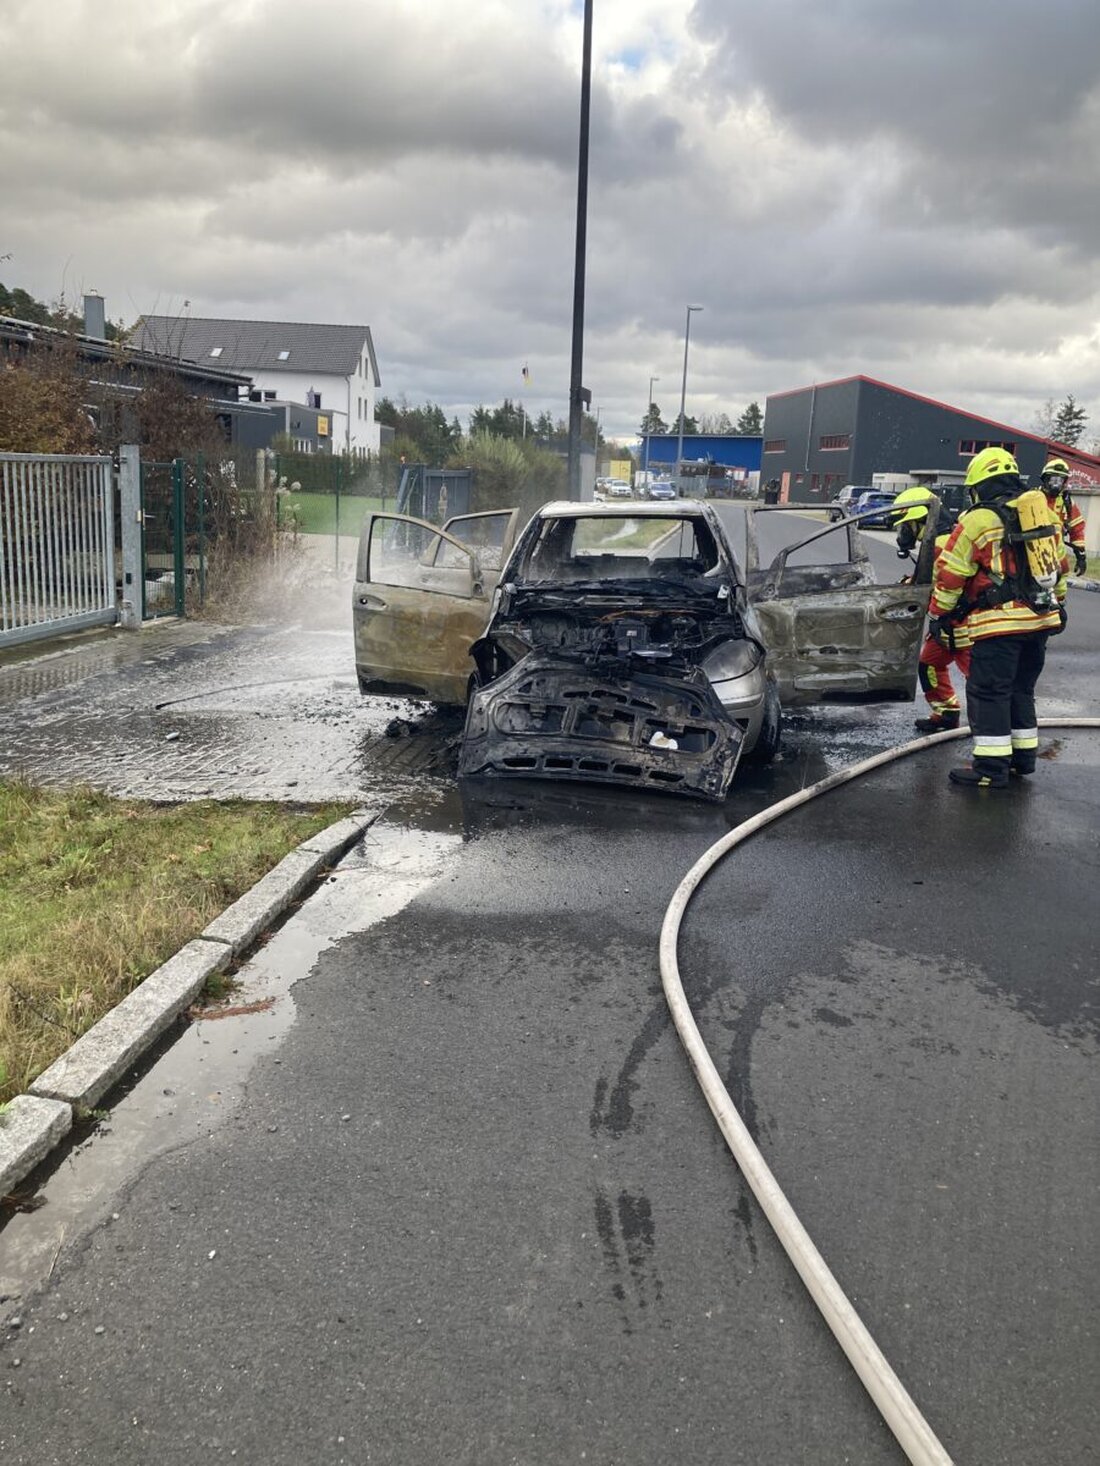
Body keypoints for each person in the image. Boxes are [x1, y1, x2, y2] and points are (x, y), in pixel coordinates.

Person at [928, 446, 1069, 789]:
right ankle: (1023, 761)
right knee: (1021, 691)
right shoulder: (1045, 515)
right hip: (1040, 622)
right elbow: (1058, 568)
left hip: (998, 627)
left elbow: (950, 573)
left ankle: (990, 769)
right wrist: (1056, 604)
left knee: (989, 692)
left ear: (981, 484)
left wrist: (939, 613)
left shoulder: (977, 520)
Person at [891, 487, 970, 732]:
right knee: (929, 663)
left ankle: (993, 732)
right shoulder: (936, 540)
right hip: (946, 623)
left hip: (965, 624)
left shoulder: (941, 544)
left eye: (906, 525)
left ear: (920, 519)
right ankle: (946, 712)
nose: (904, 532)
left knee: (980, 680)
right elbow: (925, 579)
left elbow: (933, 581)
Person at [1038, 457, 1088, 576]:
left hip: (1057, 554)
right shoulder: (1032, 498)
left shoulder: (1067, 503)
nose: (1056, 484)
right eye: (1053, 480)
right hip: (1033, 551)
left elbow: (1077, 530)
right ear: (1044, 479)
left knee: (1059, 585)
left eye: (1060, 480)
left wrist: (1081, 557)